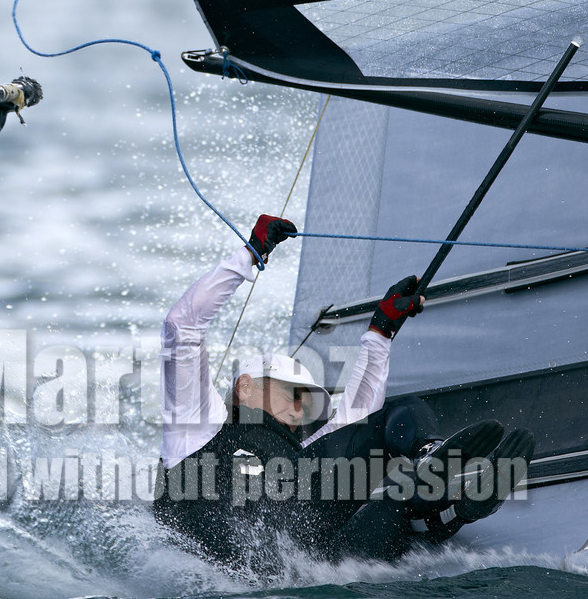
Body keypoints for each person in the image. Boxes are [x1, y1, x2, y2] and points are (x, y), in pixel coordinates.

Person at [153, 215, 532, 570]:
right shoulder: (198, 427)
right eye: (292, 393)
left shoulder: (302, 456)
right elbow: (181, 326)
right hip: (235, 563)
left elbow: (358, 416)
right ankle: (440, 502)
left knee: (391, 480)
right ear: (246, 385)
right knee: (378, 480)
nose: (301, 407)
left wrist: (381, 332)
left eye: (309, 400)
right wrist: (249, 255)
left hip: (318, 566)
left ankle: (447, 491)